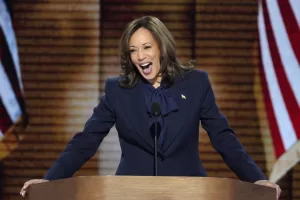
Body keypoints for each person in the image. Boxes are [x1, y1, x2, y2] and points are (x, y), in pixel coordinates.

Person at [20, 16, 281, 199]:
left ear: (162, 47)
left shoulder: (196, 83)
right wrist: (49, 180)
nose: (140, 57)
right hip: (129, 194)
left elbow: (223, 137)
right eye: (133, 51)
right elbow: (86, 141)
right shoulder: (117, 90)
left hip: (190, 193)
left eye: (146, 47)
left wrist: (256, 179)